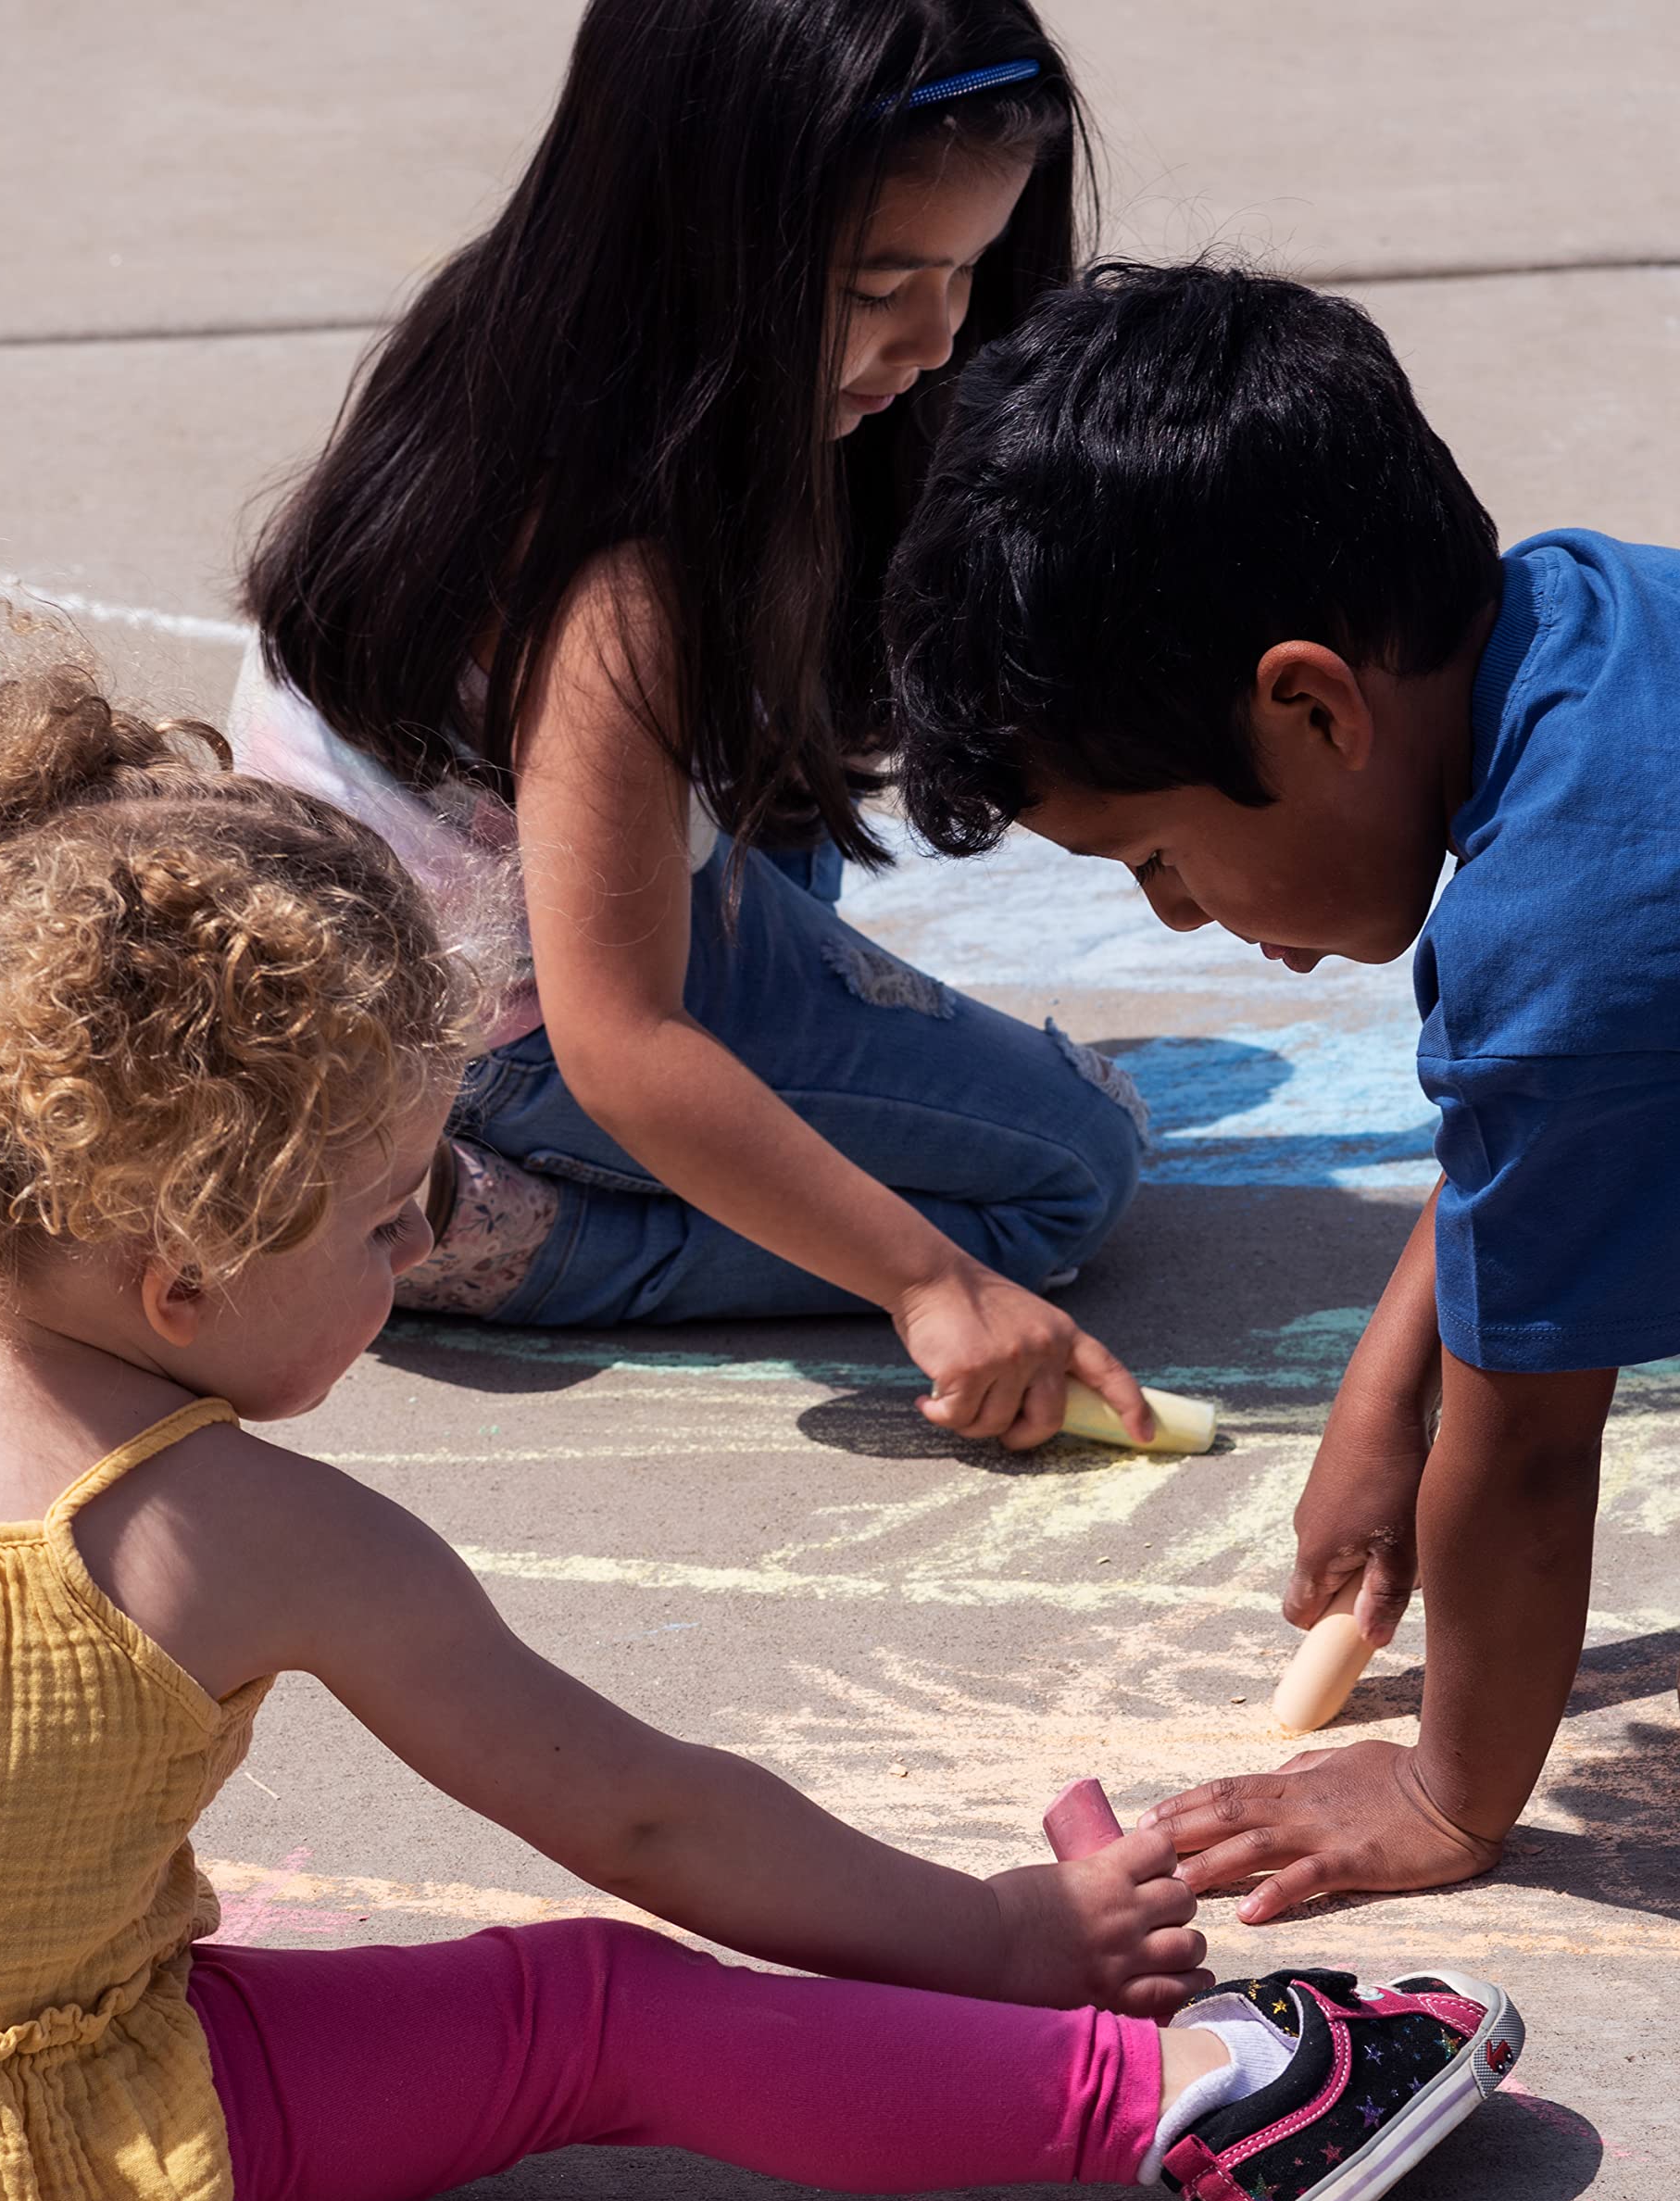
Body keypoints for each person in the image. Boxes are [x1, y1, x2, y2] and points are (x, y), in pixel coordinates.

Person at [0, 654, 1524, 2201]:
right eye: (390, 1216)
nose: (431, 1246)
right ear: (186, 1280)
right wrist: (996, 1936)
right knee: (594, 2015)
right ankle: (1219, 2106)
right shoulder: (260, 1537)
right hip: (5, 2174)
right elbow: (656, 1827)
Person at [882, 258, 1680, 1911]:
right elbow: (1526, 1149)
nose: (1180, 912)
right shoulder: (1601, 638)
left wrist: (1449, 1794)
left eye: (1162, 857)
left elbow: (1534, 1453)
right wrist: (1385, 1404)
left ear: (1312, 707)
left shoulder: (1589, 932)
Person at [234, 0, 1153, 1453]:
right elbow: (622, 1036)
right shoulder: (623, 573)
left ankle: (441, 1150)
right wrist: (928, 1281)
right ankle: (488, 1228)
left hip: (375, 916)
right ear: (701, 245)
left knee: (787, 807)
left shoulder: (533, 328)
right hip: (488, 1023)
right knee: (1068, 1169)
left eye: (970, 269)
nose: (936, 335)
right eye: (877, 286)